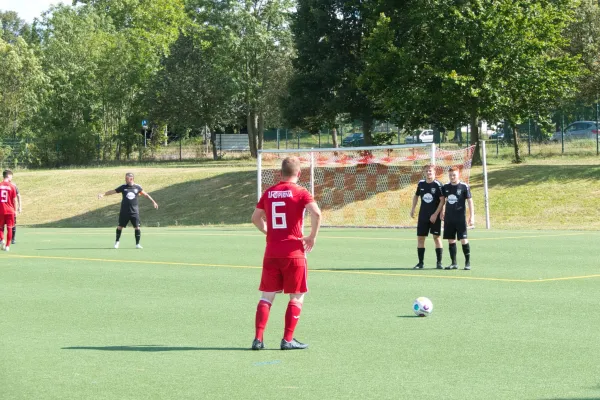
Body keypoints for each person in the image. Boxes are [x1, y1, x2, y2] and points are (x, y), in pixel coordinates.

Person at [250, 156, 322, 351]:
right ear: (299, 173)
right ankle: (287, 339)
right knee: (296, 296)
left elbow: (255, 218)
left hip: (272, 251)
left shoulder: (269, 192)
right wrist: (312, 237)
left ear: (280, 173)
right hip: (293, 252)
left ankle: (258, 339)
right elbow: (316, 214)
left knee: (266, 296)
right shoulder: (301, 192)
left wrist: (268, 231)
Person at [98, 172, 158, 249]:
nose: (125, 180)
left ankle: (137, 244)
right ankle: (117, 242)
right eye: (125, 178)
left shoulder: (137, 187)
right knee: (120, 227)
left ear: (131, 179)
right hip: (124, 211)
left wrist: (153, 202)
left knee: (137, 227)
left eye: (127, 178)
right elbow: (113, 191)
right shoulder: (123, 187)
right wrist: (103, 194)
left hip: (134, 211)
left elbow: (146, 194)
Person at [410, 164, 445, 269]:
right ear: (424, 173)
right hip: (423, 216)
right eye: (426, 171)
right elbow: (416, 196)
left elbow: (442, 200)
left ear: (434, 173)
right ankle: (420, 263)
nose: (428, 173)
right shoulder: (421, 184)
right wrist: (413, 208)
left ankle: (439, 263)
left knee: (436, 238)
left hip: (435, 216)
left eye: (430, 171)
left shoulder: (438, 185)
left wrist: (436, 214)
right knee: (420, 238)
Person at [441, 167, 474, 270]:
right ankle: (454, 263)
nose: (452, 177)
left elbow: (470, 202)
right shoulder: (445, 186)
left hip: (460, 218)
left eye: (454, 175)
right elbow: (442, 201)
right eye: (450, 175)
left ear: (458, 174)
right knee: (451, 240)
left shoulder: (464, 186)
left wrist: (472, 216)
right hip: (449, 219)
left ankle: (467, 263)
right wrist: (442, 212)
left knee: (464, 239)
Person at [0, 170, 18, 252]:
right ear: (8, 176)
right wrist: (15, 211)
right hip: (10, 210)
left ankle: (2, 239)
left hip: (1, 210)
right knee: (10, 228)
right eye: (11, 176)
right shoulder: (12, 186)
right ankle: (7, 246)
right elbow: (15, 200)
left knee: (0, 227)